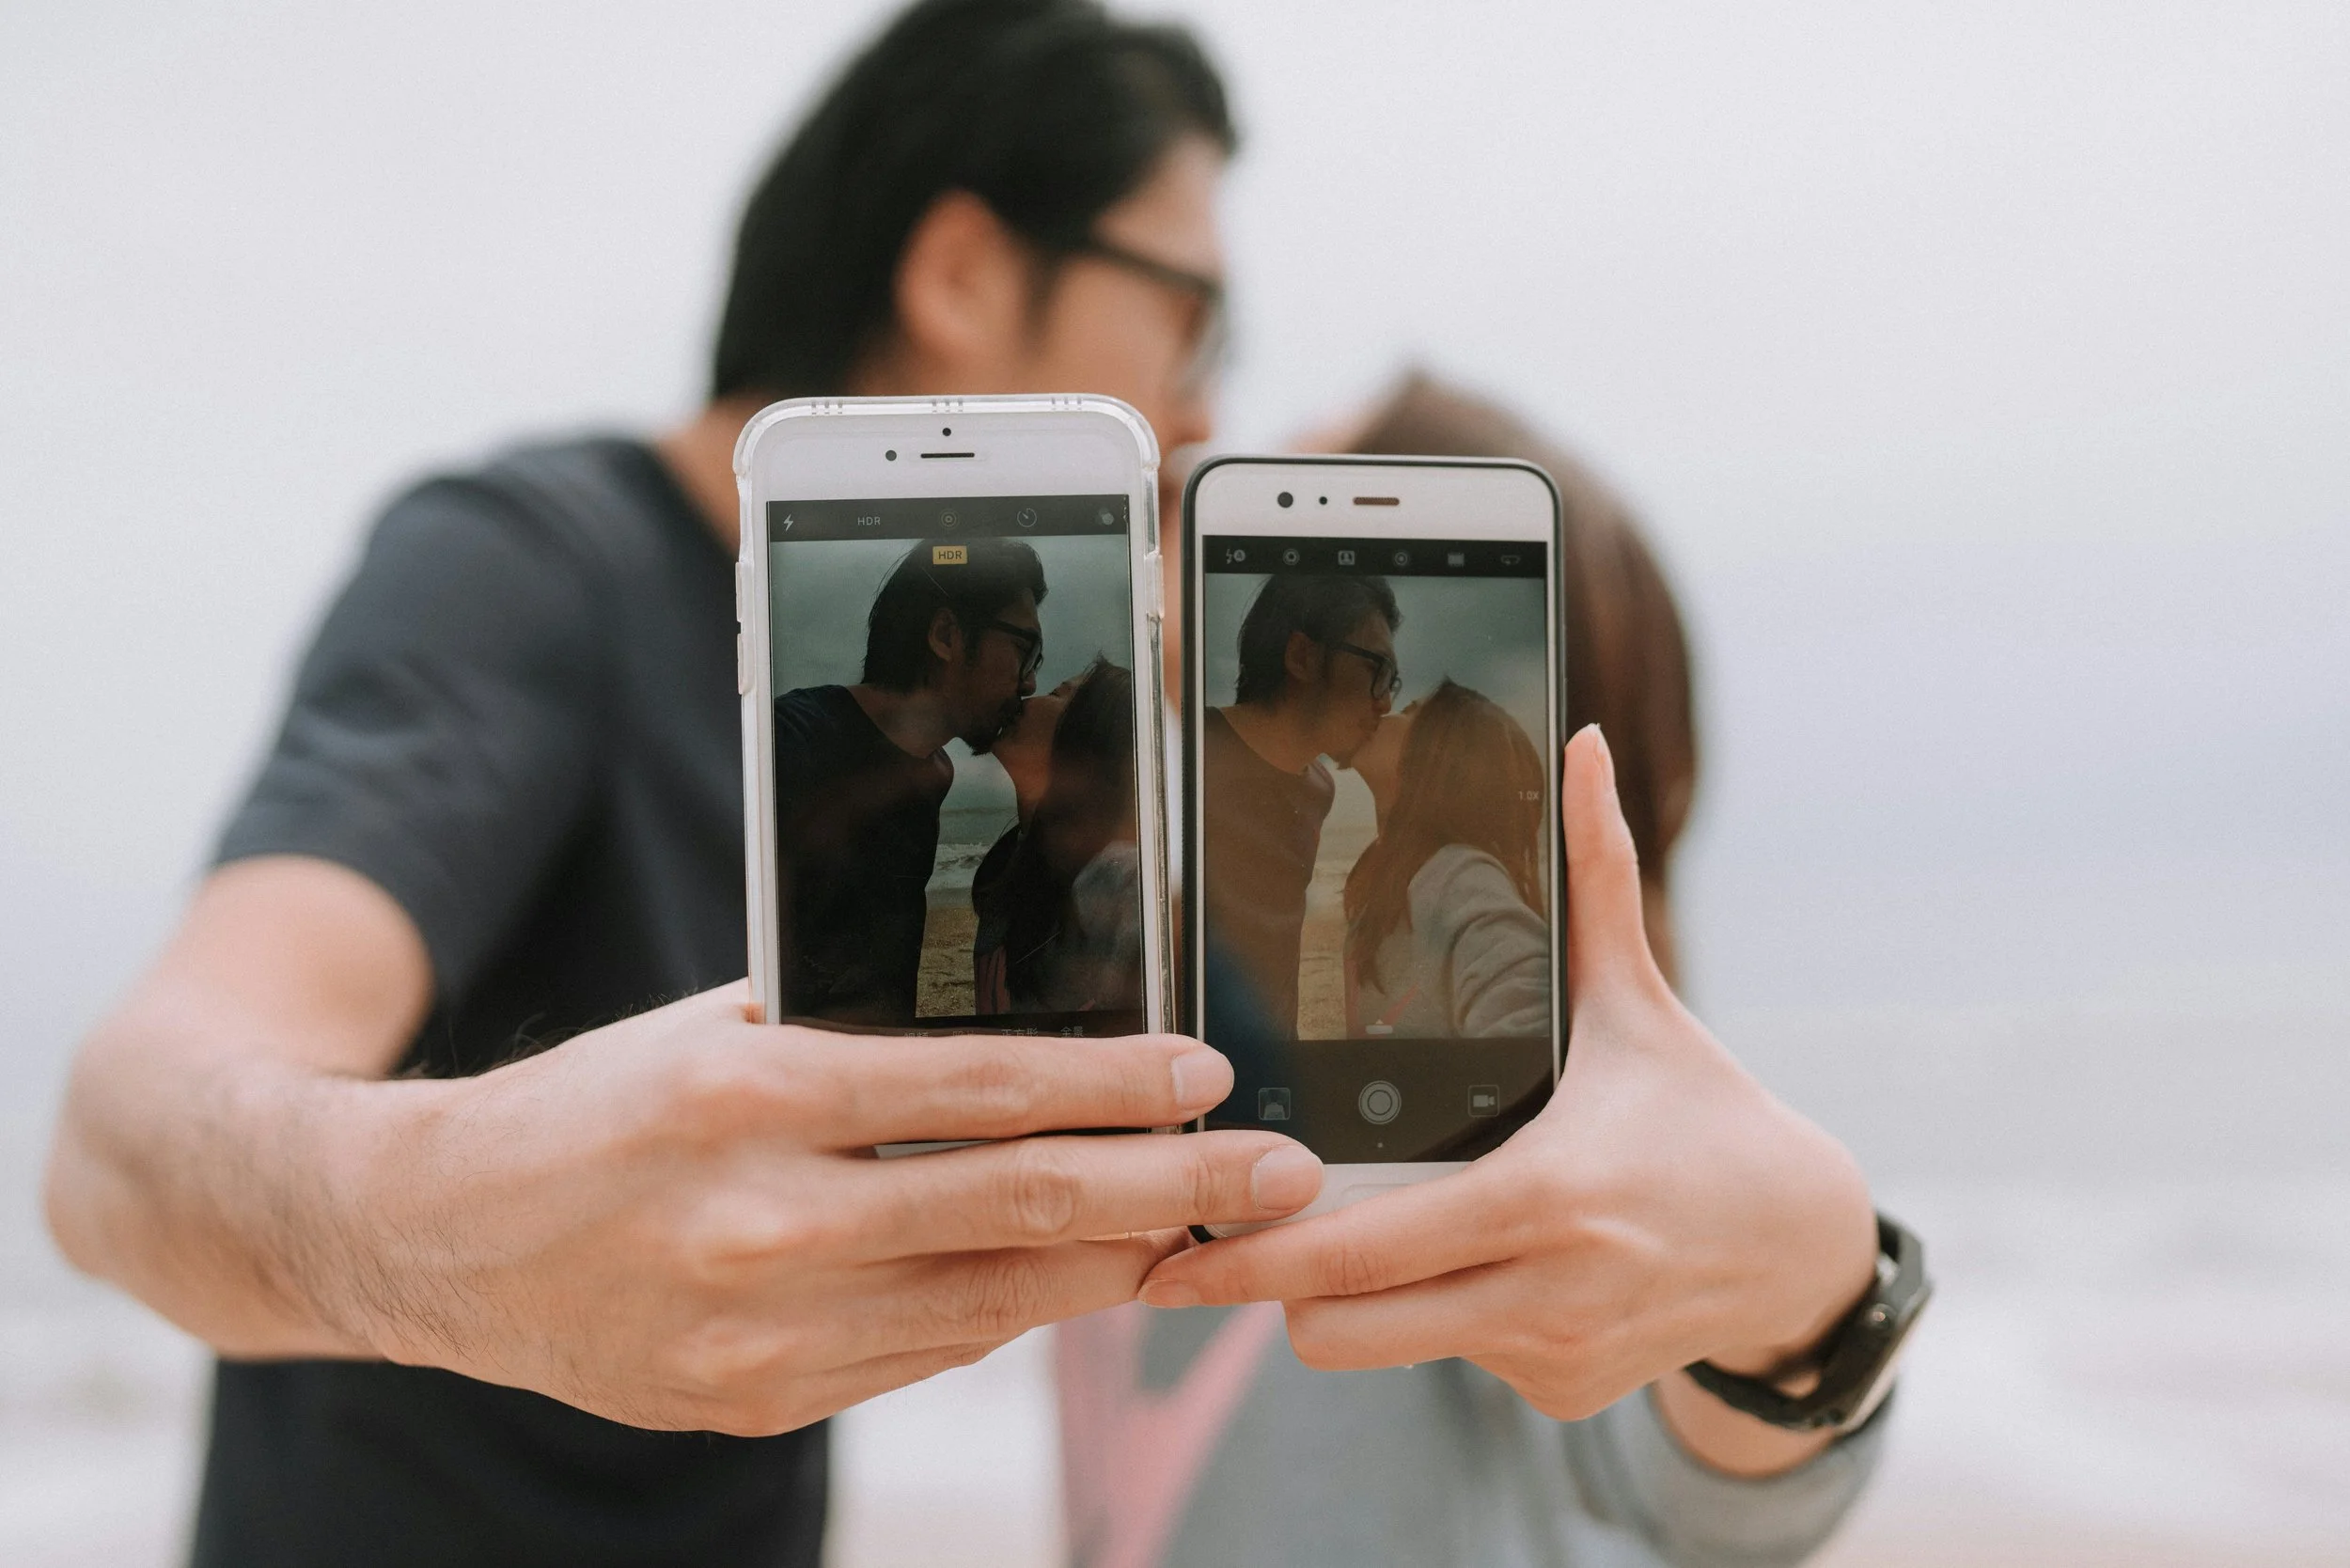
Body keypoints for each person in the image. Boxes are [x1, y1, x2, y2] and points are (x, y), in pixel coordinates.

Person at [39, 6, 1327, 1567]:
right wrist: (446, 1235)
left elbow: (1258, 1114)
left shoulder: (976, 762)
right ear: (963, 274)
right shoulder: (522, 570)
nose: (1205, 410)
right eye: (1194, 319)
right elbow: (117, 1148)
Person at [1056, 377, 1889, 1567]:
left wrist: (1809, 1305)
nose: (1196, 481)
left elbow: (1692, 1490)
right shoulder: (1201, 954)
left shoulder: (1498, 1044)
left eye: (1279, 477)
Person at [775, 538, 1044, 1024]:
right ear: (946, 635)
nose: (1029, 683)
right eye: (1024, 650)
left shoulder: (934, 774)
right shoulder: (790, 740)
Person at [1199, 573, 1401, 1044]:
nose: (1386, 701)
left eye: (1391, 681)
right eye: (1376, 670)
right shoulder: (1190, 755)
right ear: (1302, 657)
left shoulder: (1319, 787)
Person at [1343, 678, 1550, 1041]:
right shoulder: (1387, 876)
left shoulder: (1459, 874)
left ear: (1441, 760)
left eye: (1411, 713)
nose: (1387, 714)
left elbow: (1527, 1012)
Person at [973, 656, 1144, 1015]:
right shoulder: (1014, 864)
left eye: (1055, 693)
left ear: (1089, 736)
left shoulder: (1123, 880)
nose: (1025, 698)